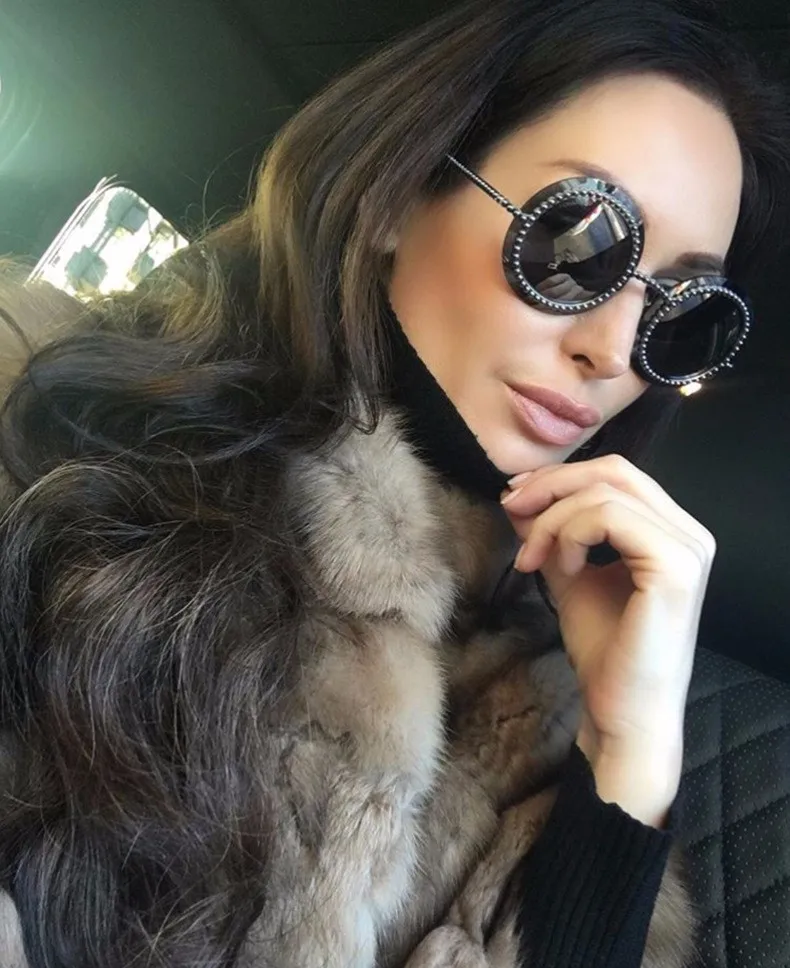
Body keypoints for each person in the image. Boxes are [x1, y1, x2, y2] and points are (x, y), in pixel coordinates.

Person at [0, 0, 788, 965]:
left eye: (681, 315)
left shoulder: (536, 692)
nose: (615, 351)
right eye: (580, 241)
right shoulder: (48, 427)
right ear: (395, 194)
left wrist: (632, 750)